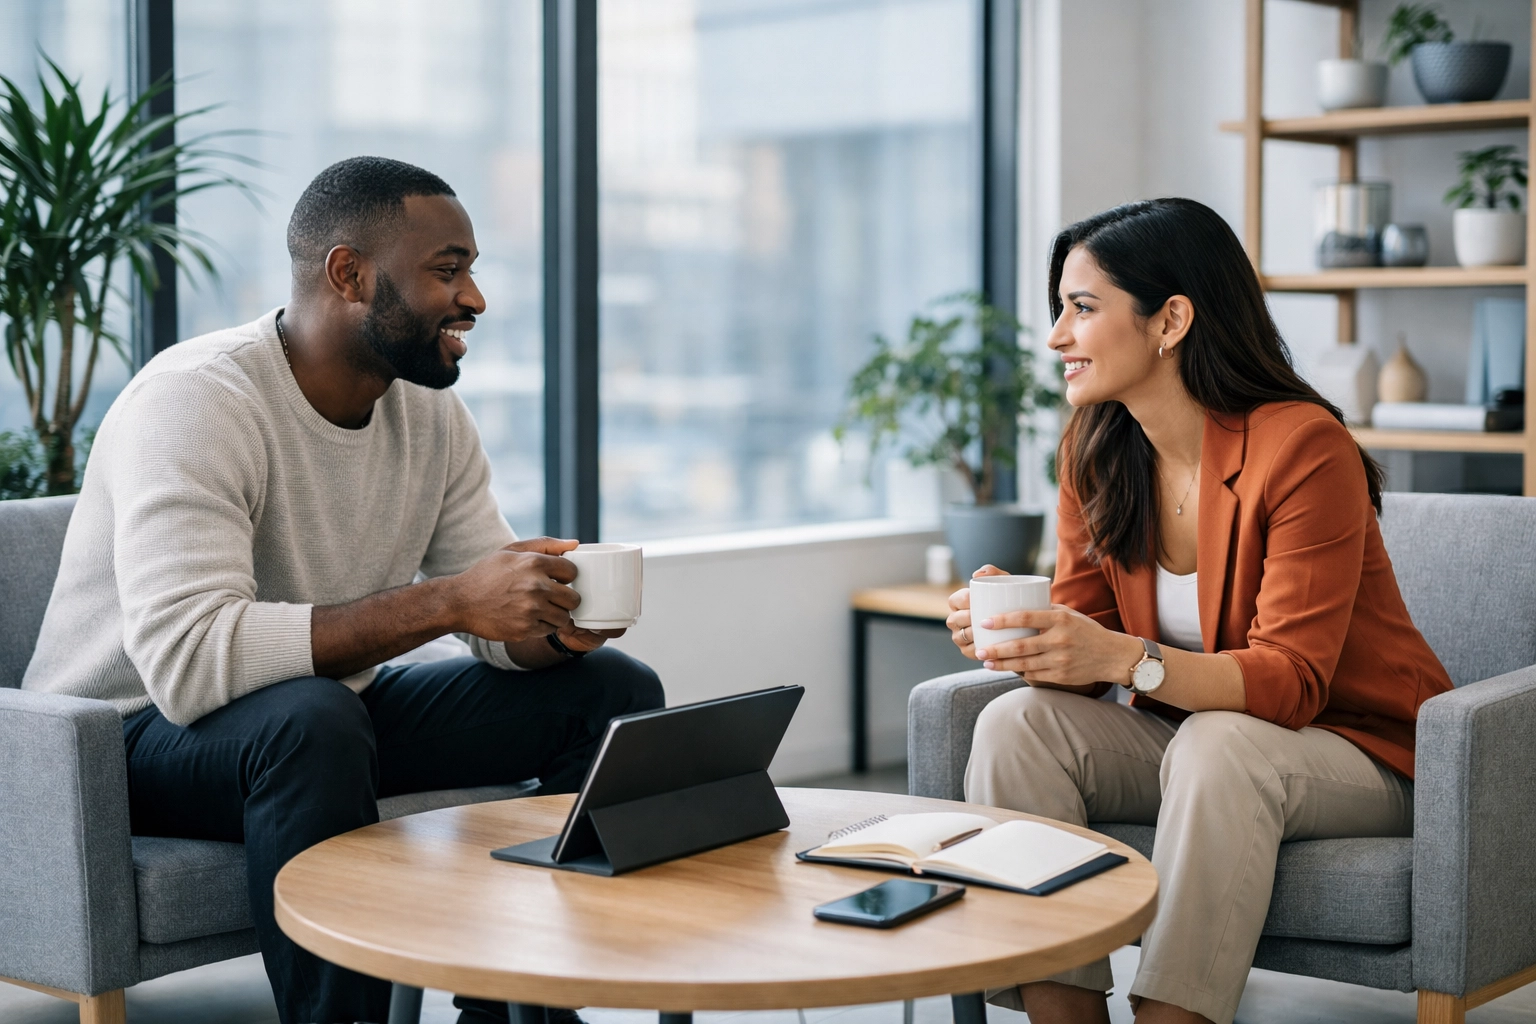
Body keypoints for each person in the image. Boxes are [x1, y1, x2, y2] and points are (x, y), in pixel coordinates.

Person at [23, 156, 664, 1024]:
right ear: (349, 274)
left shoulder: (428, 412)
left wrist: (548, 624)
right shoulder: (197, 401)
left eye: (471, 269)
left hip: (324, 717)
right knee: (312, 721)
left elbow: (484, 611)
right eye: (448, 270)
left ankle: (524, 1008)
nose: (474, 298)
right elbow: (186, 661)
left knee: (609, 691)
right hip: (125, 739)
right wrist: (447, 603)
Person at [944, 198, 1453, 1024]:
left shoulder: (1303, 447)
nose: (1056, 338)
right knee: (1015, 726)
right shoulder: (1095, 451)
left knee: (1220, 746)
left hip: (1364, 749)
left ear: (1171, 319)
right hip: (1202, 740)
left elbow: (1291, 684)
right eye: (1059, 310)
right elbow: (1079, 664)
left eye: (1082, 308)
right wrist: (1027, 639)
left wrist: (1119, 659)